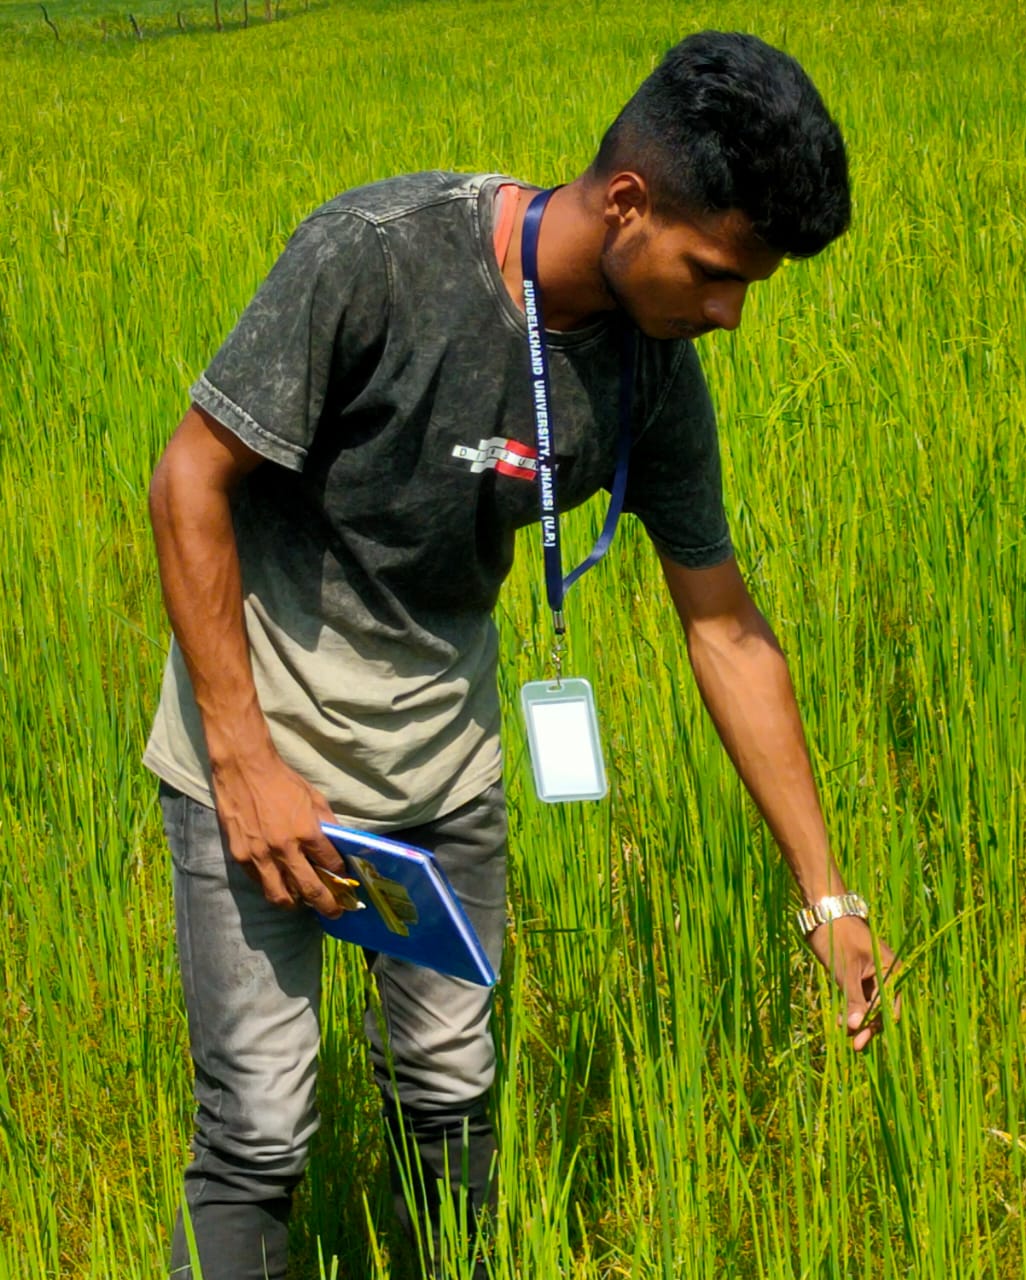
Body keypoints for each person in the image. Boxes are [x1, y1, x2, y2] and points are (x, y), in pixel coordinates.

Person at [145, 29, 899, 1280]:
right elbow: (188, 482)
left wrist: (826, 895)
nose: (727, 313)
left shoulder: (652, 373)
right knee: (260, 1126)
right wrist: (241, 757)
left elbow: (723, 626)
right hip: (263, 735)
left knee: (451, 1091)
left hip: (444, 756)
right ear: (627, 201)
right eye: (715, 272)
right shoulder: (379, 254)